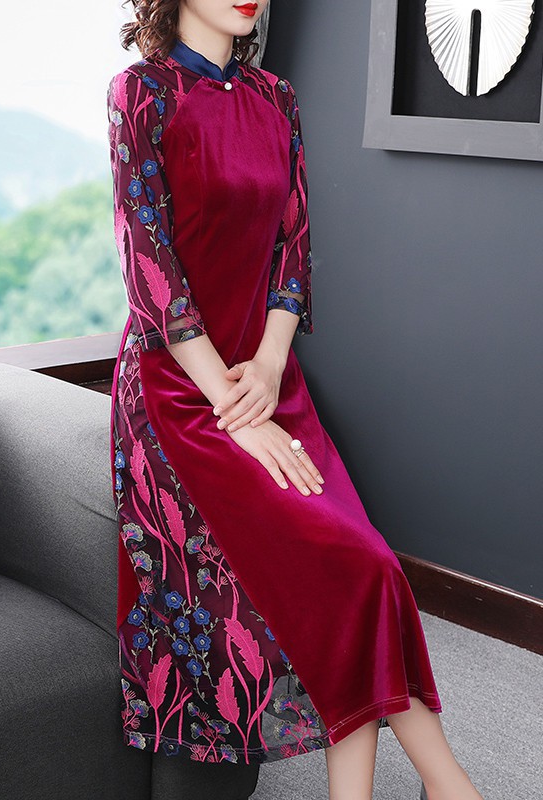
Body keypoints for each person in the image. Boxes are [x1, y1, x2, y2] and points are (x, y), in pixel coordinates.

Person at [106, 2, 485, 798]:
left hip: (271, 381)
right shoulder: (140, 93)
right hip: (179, 397)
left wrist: (272, 367)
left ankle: (425, 789)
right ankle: (454, 787)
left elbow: (293, 246)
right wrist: (234, 409)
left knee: (368, 569)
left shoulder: (275, 96)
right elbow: (150, 269)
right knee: (353, 569)